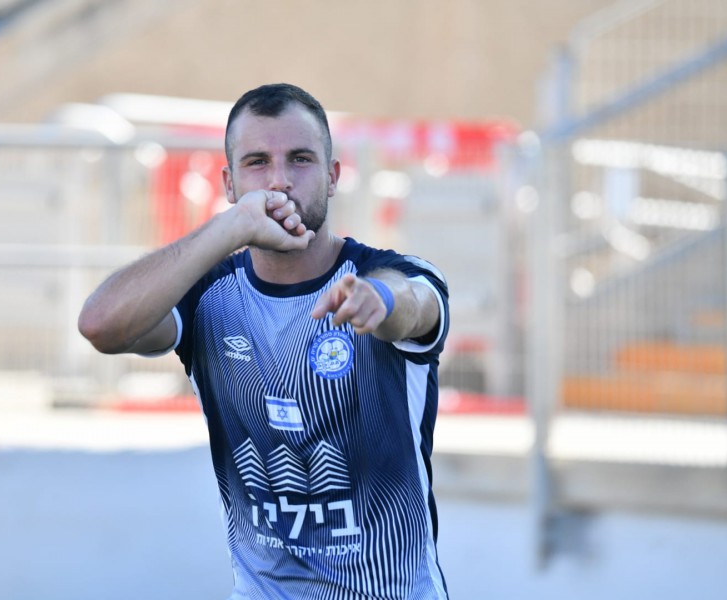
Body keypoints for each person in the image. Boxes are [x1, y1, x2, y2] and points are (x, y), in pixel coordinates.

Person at [78, 83, 451, 599]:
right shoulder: (208, 296)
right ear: (229, 184)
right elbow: (100, 324)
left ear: (333, 175)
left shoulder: (388, 275)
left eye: (300, 159)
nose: (279, 181)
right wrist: (227, 229)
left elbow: (415, 302)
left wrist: (381, 302)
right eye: (257, 163)